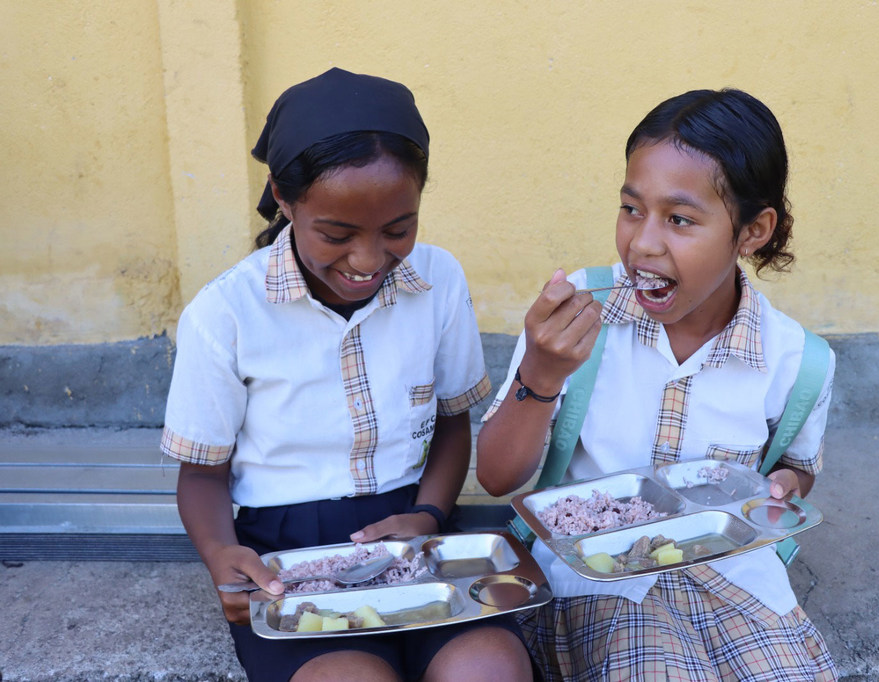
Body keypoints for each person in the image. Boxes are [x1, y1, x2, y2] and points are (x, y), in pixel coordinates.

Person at [161, 68, 534, 682]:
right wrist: (222, 554)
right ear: (284, 198)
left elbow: (450, 422)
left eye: (398, 230)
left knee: (488, 670)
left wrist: (430, 515)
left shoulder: (439, 282)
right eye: (336, 234)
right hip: (288, 553)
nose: (368, 260)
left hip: (415, 530)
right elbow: (202, 474)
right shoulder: (224, 314)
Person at [476, 88, 839, 681]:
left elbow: (798, 467)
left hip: (738, 578)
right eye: (630, 208)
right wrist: (540, 376)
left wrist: (784, 484)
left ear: (753, 231)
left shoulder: (798, 361)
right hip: (600, 582)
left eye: (679, 219)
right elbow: (496, 477)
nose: (643, 242)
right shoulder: (575, 320)